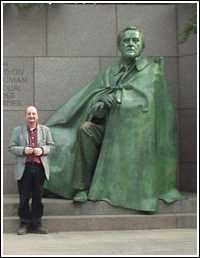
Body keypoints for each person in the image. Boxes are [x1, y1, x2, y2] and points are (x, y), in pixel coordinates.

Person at [44, 26, 183, 211]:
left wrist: (119, 98)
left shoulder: (152, 71)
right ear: (119, 45)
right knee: (85, 130)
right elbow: (93, 96)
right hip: (106, 127)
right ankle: (81, 188)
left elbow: (148, 102)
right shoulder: (111, 72)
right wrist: (100, 104)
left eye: (135, 41)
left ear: (142, 46)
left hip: (135, 134)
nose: (131, 44)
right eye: (126, 41)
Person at [9, 106, 55, 235]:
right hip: (24, 168)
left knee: (37, 198)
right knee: (24, 198)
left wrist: (42, 150)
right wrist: (23, 150)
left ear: (37, 116)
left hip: (40, 168)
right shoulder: (17, 131)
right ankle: (24, 224)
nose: (31, 116)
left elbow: (51, 146)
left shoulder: (45, 130)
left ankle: (37, 224)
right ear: (25, 116)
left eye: (33, 114)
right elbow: (11, 147)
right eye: (29, 114)